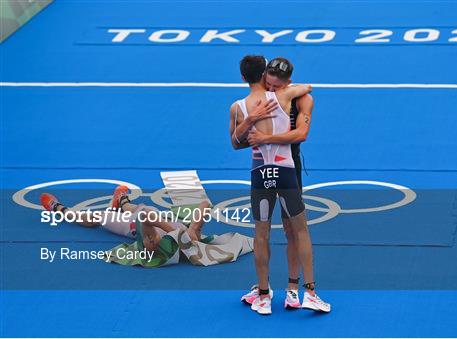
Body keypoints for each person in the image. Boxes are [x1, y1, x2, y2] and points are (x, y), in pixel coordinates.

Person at [229, 55, 330, 315]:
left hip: (282, 165)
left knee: (286, 230)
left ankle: (290, 290)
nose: (272, 90)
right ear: (263, 76)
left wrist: (260, 132)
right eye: (269, 84)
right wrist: (254, 123)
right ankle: (286, 291)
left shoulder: (242, 105)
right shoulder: (282, 97)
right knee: (293, 230)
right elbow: (238, 143)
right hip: (282, 168)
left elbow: (301, 134)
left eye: (276, 86)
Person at [39, 185, 253, 267]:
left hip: (132, 224)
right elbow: (205, 204)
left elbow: (149, 217)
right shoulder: (191, 236)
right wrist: (189, 230)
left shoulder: (152, 245)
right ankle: (119, 201)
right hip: (154, 216)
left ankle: (60, 209)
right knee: (132, 208)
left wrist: (179, 232)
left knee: (98, 217)